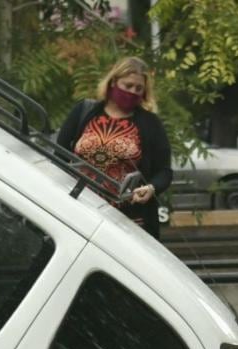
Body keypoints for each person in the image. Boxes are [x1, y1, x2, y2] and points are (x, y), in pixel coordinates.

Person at [57, 57, 172, 239]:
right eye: (128, 85)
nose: (132, 92)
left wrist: (151, 188)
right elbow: (59, 155)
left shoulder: (150, 123)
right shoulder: (84, 111)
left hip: (129, 222)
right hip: (80, 213)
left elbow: (165, 171)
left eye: (138, 88)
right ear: (113, 82)